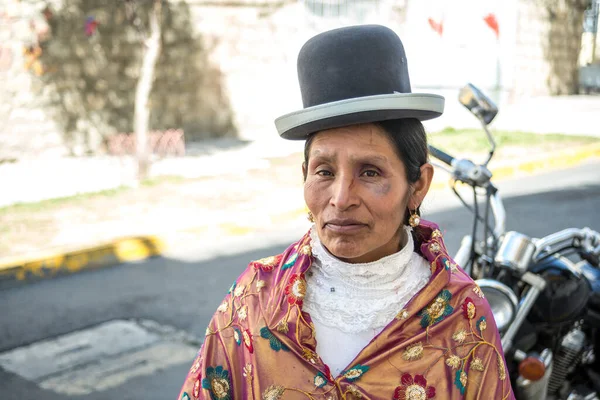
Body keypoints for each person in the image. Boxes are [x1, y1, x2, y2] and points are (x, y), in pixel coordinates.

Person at [177, 24, 515, 400]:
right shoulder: (254, 300)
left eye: (370, 172)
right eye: (324, 171)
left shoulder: (462, 318)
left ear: (417, 185)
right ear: (304, 176)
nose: (341, 198)